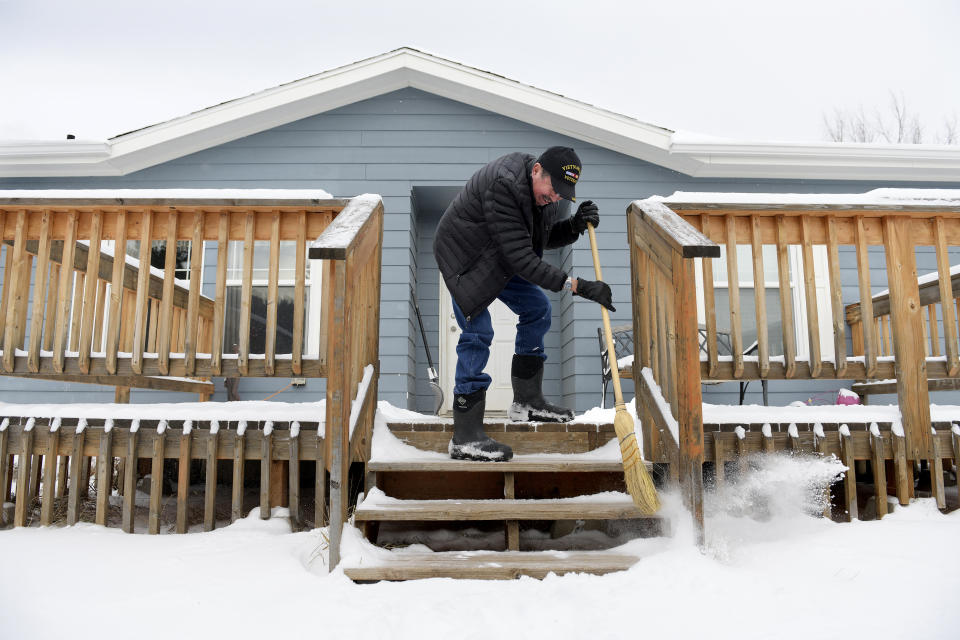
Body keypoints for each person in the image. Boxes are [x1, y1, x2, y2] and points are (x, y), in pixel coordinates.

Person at [433, 146, 616, 462]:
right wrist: (579, 286)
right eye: (553, 189)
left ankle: (527, 402)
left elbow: (535, 241)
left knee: (537, 309)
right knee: (478, 331)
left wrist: (573, 226)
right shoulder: (503, 185)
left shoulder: (541, 196)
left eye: (562, 193)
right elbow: (522, 257)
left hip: (497, 254)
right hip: (463, 259)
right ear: (537, 171)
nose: (555, 198)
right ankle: (464, 435)